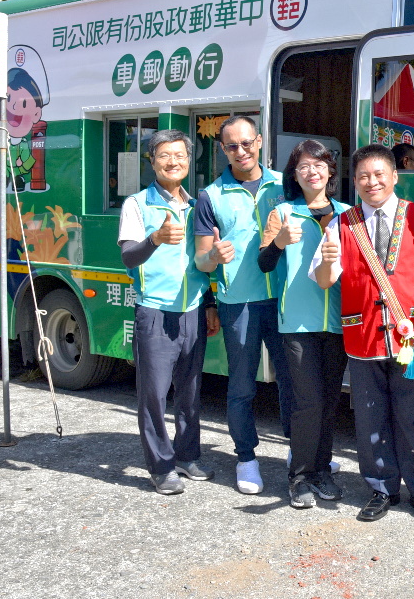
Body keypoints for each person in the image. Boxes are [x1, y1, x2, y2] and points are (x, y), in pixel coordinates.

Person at [313, 144, 414, 522]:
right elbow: (325, 280)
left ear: (394, 177)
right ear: (354, 182)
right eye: (362, 177)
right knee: (370, 419)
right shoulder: (342, 224)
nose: (371, 182)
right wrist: (327, 263)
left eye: (378, 175)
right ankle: (380, 488)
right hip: (364, 339)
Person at [194, 115, 293, 495]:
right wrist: (214, 257)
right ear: (222, 149)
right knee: (241, 386)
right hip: (239, 303)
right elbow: (201, 261)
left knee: (292, 382)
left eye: (247, 143)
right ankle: (247, 458)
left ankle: (296, 451)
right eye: (232, 146)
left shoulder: (284, 183)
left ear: (260, 141)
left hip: (285, 299)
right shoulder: (210, 196)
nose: (241, 151)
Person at [117, 129, 219, 495]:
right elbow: (129, 256)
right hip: (155, 312)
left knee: (190, 392)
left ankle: (188, 455)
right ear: (151, 161)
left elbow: (202, 261)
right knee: (154, 395)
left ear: (189, 161)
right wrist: (155, 239)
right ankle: (160, 467)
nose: (173, 161)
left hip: (192, 310)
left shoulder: (197, 206)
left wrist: (208, 304)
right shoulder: (138, 204)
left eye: (180, 155)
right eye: (164, 155)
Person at [258, 140, 350, 510]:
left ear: (330, 171)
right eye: (302, 166)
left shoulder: (349, 214)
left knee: (329, 402)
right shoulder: (282, 213)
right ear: (294, 175)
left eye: (319, 164)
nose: (312, 171)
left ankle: (322, 469)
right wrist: (279, 242)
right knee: (306, 402)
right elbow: (263, 263)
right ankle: (299, 477)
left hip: (341, 322)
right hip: (296, 322)